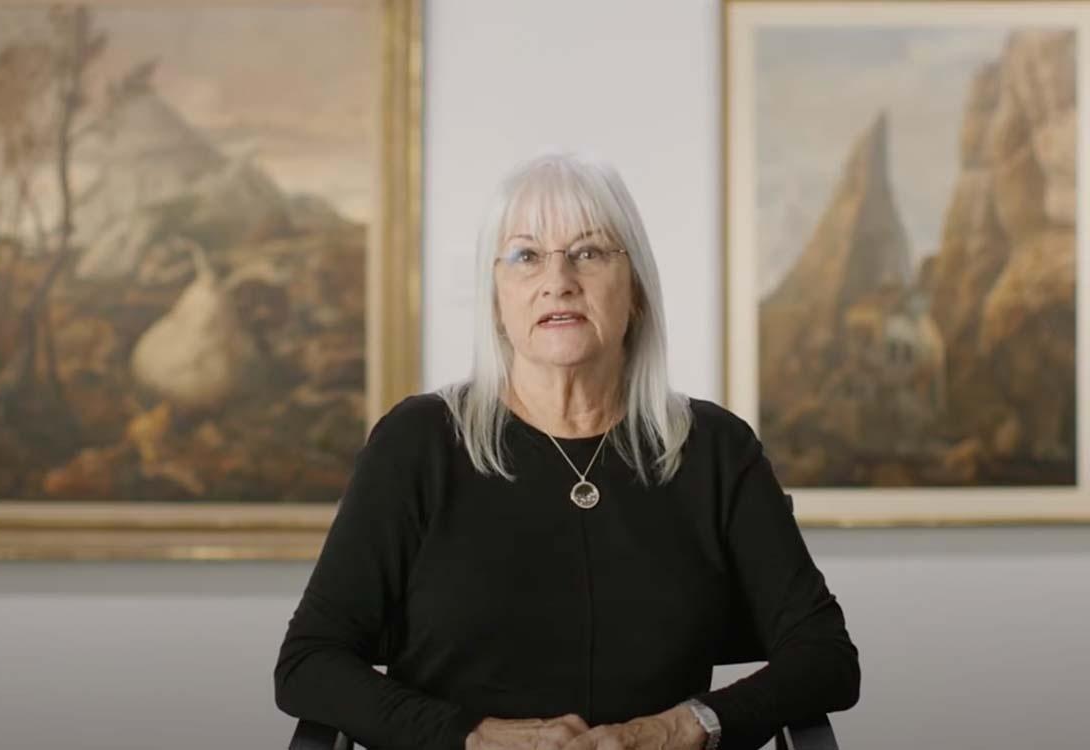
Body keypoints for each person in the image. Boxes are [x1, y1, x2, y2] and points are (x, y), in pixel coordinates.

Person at [274, 153, 860, 750]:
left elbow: (825, 657)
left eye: (589, 251)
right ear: (497, 299)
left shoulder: (713, 449)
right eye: (526, 256)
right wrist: (473, 738)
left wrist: (681, 727)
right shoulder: (417, 443)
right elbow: (309, 664)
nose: (559, 280)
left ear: (634, 290)